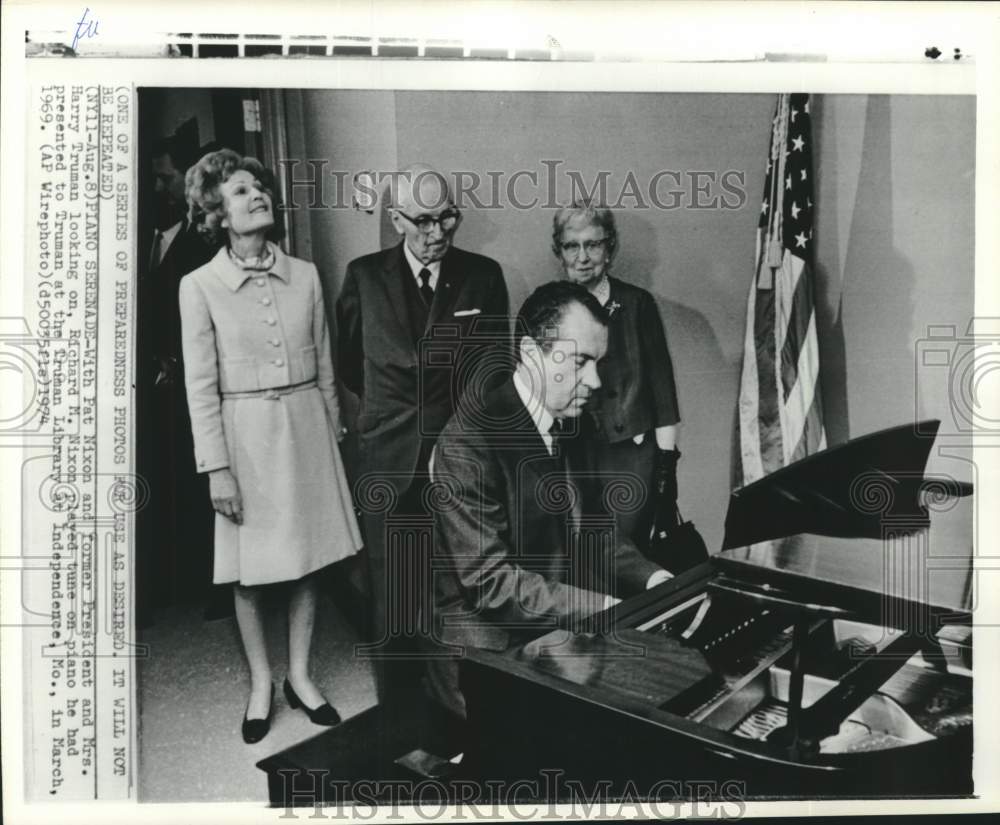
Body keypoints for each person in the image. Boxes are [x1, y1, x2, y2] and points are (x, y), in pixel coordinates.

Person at [180, 149, 362, 744]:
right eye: (239, 190)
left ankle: (301, 676)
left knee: (308, 559)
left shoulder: (305, 275)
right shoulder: (198, 286)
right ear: (216, 212)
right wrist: (216, 468)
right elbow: (200, 386)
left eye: (258, 186)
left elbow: (326, 365)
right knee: (250, 573)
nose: (256, 194)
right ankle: (261, 681)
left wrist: (333, 433)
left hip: (306, 429)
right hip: (245, 439)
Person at [428, 281, 671, 728]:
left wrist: (654, 579)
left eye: (598, 364)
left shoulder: (571, 421)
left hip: (555, 628)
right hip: (488, 653)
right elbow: (492, 584)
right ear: (530, 352)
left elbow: (593, 528)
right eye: (580, 362)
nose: (595, 382)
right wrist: (604, 609)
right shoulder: (467, 442)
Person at [335, 164, 509, 728]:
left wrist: (454, 441)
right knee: (393, 593)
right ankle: (399, 719)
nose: (437, 233)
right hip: (387, 460)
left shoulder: (483, 277)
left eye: (447, 218)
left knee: (458, 588)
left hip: (458, 461)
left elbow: (491, 373)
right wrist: (396, 420)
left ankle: (459, 714)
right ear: (396, 220)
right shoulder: (363, 277)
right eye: (423, 221)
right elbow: (350, 364)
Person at [551, 203, 681, 551]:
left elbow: (663, 396)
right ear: (559, 251)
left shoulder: (637, 304)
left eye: (593, 245)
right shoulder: (547, 308)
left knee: (628, 553)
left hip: (631, 456)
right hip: (570, 454)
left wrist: (665, 469)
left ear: (609, 249)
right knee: (578, 551)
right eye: (571, 246)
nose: (582, 257)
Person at [138, 136, 220, 615]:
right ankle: (195, 578)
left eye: (165, 176)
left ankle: (218, 584)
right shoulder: (162, 235)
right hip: (173, 379)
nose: (159, 187)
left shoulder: (204, 241)